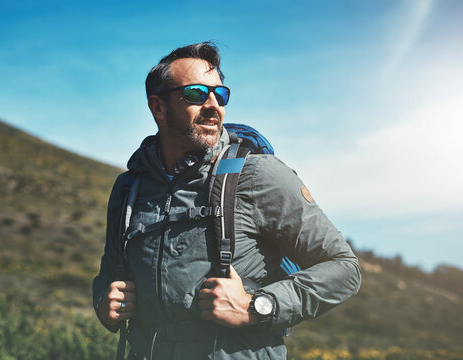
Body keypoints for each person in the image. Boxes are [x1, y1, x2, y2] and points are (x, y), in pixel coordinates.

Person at [93, 42, 361, 360]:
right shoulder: (129, 188)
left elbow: (345, 268)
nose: (213, 106)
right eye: (195, 94)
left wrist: (259, 306)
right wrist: (103, 301)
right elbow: (109, 273)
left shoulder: (258, 174)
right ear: (159, 108)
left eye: (219, 95)